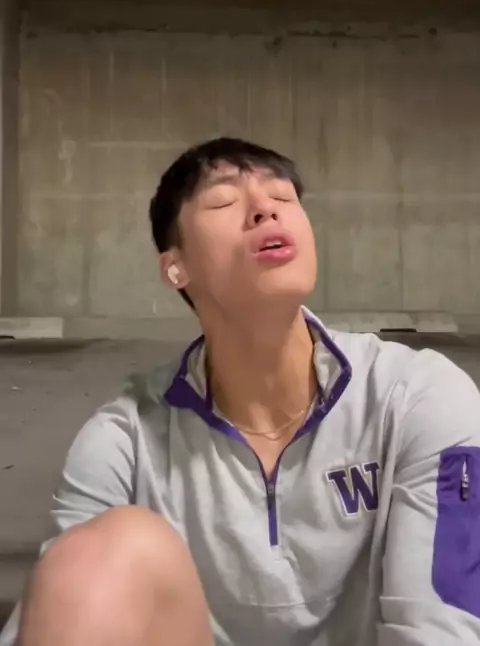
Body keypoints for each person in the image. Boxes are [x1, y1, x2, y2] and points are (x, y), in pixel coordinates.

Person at [2, 136, 480, 646]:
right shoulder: (127, 438)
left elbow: (448, 618)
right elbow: (58, 615)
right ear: (175, 267)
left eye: (282, 197)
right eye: (223, 201)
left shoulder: (418, 395)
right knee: (97, 555)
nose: (264, 211)